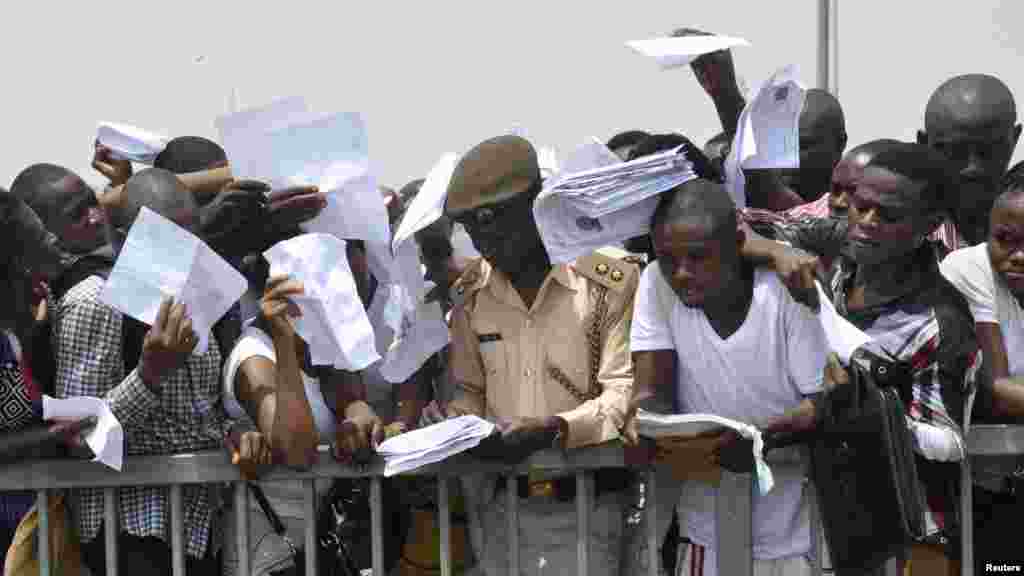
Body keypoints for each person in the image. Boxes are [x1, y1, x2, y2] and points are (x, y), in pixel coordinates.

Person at [744, 143, 980, 573]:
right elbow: (727, 228)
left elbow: (949, 443)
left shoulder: (941, 322)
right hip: (830, 527)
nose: (867, 222)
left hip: (913, 541)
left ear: (929, 225)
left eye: (888, 215)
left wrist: (867, 406)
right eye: (860, 205)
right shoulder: (841, 245)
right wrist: (776, 252)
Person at [443, 135, 637, 576]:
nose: (484, 241)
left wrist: (555, 428)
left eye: (495, 224)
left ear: (536, 206)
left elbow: (623, 394)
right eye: (472, 229)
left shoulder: (606, 281)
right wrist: (456, 423)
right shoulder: (470, 296)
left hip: (589, 507)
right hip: (502, 511)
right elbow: (469, 390)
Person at [623, 178, 830, 576]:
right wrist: (642, 422)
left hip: (801, 534)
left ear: (738, 243)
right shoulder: (654, 283)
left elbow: (824, 400)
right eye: (668, 258)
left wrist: (760, 439)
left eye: (698, 257)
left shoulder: (784, 288)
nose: (681, 273)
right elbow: (651, 391)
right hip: (706, 532)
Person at [51, 168, 252, 575]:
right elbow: (75, 437)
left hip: (197, 530)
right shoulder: (93, 302)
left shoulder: (196, 295)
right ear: (124, 238)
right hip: (128, 533)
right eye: (168, 236)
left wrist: (235, 435)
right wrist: (150, 375)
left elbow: (198, 414)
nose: (185, 249)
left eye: (192, 235)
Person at [221, 260, 384, 576]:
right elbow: (295, 450)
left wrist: (360, 421)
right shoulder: (252, 356)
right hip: (265, 556)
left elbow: (352, 403)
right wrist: (283, 339)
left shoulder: (319, 345)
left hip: (316, 547)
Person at [939, 175, 1024, 569]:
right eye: (1004, 239)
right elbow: (998, 388)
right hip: (981, 487)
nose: (1017, 255)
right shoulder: (969, 267)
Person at [671, 28, 847, 210]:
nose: (784, 160)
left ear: (840, 144)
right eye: (777, 146)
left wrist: (725, 94)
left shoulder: (852, 208)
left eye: (802, 145)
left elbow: (768, 190)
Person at [918, 74, 1021, 249]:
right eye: (954, 151)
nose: (973, 168)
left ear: (1015, 139)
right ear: (923, 145)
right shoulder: (896, 240)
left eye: (988, 150)